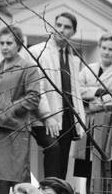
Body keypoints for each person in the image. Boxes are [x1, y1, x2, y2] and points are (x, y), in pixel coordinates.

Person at [0, 24, 42, 194]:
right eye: (2, 43)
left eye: (10, 43)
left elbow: (33, 97)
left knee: (17, 179)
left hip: (15, 129)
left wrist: (9, 110)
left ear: (19, 44)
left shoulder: (28, 67)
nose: (5, 47)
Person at [31, 12, 85, 180]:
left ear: (73, 32)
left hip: (67, 117)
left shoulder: (73, 58)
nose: (61, 29)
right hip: (44, 117)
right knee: (53, 151)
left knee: (62, 163)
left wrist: (79, 120)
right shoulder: (38, 51)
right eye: (58, 25)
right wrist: (47, 116)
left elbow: (75, 90)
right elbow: (37, 87)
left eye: (67, 27)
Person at [78, 33, 112, 186]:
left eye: (111, 49)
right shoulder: (88, 69)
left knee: (106, 163)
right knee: (86, 165)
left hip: (110, 121)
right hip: (89, 121)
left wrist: (93, 103)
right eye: (104, 48)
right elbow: (77, 89)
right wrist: (96, 91)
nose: (106, 52)